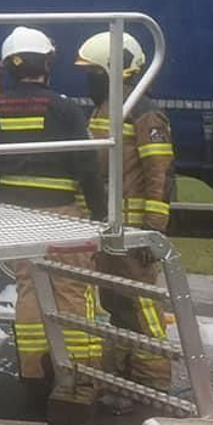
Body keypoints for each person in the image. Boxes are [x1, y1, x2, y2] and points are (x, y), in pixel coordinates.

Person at [0, 26, 106, 425]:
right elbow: (86, 169)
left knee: (30, 290)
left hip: (15, 218)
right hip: (61, 217)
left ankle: (33, 374)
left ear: (10, 66)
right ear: (47, 63)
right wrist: (101, 217)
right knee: (72, 292)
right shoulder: (65, 109)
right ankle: (79, 379)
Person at [75, 32, 175, 405]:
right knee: (117, 305)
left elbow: (159, 172)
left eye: (93, 72)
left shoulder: (142, 111)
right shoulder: (106, 108)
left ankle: (152, 382)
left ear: (112, 72)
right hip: (110, 230)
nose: (87, 80)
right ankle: (124, 378)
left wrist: (153, 230)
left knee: (141, 306)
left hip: (134, 233)